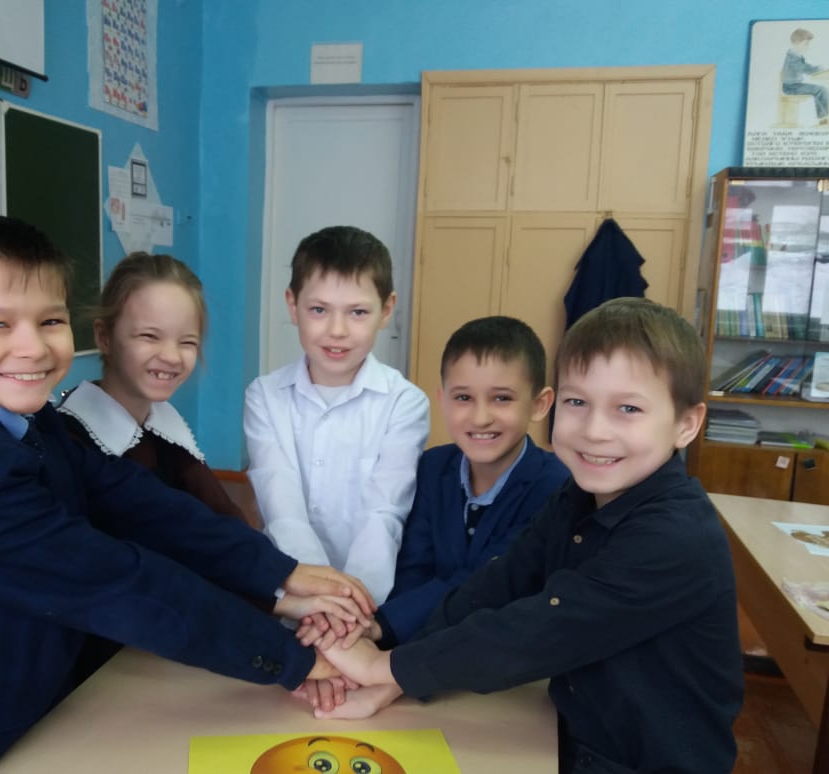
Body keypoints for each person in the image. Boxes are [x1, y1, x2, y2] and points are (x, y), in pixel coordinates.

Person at [0, 215, 374, 773]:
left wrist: (281, 573)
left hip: (39, 706)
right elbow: (115, 580)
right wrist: (290, 659)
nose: (33, 348)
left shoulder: (27, 419)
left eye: (50, 320)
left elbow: (134, 500)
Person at [313, 297, 744, 774]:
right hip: (571, 736)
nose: (594, 430)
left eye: (628, 408)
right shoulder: (576, 498)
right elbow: (498, 584)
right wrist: (396, 665)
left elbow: (540, 630)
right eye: (578, 402)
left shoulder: (675, 536)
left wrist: (382, 667)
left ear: (687, 424)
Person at [244, 225, 430, 606]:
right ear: (292, 305)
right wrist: (319, 600)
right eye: (319, 310)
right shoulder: (264, 397)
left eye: (358, 312)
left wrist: (351, 606)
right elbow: (282, 510)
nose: (337, 330)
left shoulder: (405, 403)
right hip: (291, 593)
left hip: (368, 602)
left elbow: (383, 514)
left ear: (386, 310)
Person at [371, 316, 568, 649]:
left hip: (502, 653)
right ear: (442, 400)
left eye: (501, 398)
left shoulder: (553, 486)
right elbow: (413, 569)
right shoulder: (433, 467)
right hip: (418, 645)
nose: (480, 417)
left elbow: (484, 581)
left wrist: (383, 627)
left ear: (539, 404)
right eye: (463, 398)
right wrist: (388, 641)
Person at [58, 251, 248, 524]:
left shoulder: (166, 427)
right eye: (149, 336)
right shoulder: (70, 442)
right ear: (104, 337)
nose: (171, 356)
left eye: (187, 342)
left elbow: (224, 517)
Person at [782, 28, 829, 125]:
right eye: (806, 44)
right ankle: (824, 118)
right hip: (791, 87)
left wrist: (817, 68)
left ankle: (823, 118)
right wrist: (817, 69)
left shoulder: (796, 55)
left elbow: (805, 66)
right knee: (821, 90)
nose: (808, 46)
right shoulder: (792, 56)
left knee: (820, 90)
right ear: (797, 42)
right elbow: (804, 68)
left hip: (795, 86)